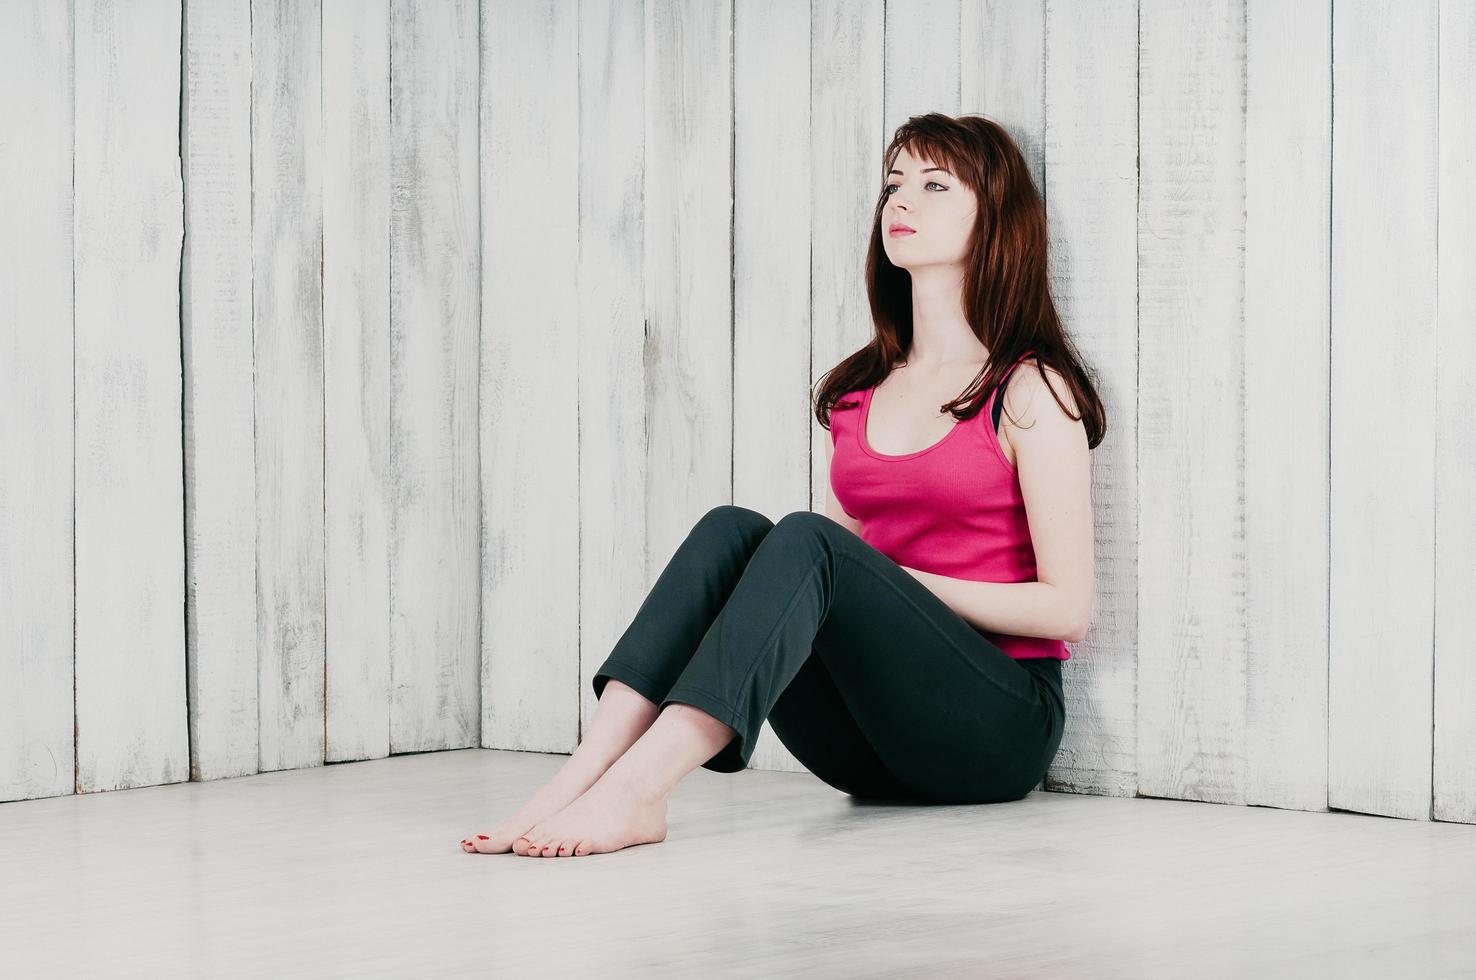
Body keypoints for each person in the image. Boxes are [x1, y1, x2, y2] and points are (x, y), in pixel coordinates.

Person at [462, 112, 1106, 858]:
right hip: (865, 752)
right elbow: (829, 588)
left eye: (935, 185)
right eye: (895, 184)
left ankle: (641, 792)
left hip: (996, 732)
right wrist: (862, 573)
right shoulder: (860, 392)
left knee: (806, 539)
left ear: (997, 220)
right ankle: (579, 776)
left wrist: (897, 577)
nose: (901, 201)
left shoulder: (1028, 389)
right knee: (733, 530)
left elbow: (1068, 609)